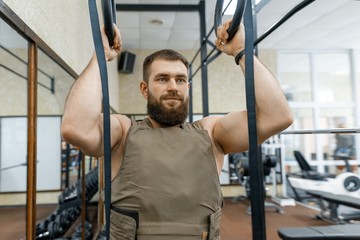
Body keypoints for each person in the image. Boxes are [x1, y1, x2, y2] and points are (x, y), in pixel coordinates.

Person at [61, 19, 293, 239]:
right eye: (162, 79)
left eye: (180, 80)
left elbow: (277, 117)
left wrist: (242, 52)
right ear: (144, 89)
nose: (173, 87)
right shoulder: (123, 131)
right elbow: (75, 127)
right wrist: (98, 57)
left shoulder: (212, 133)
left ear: (188, 88)